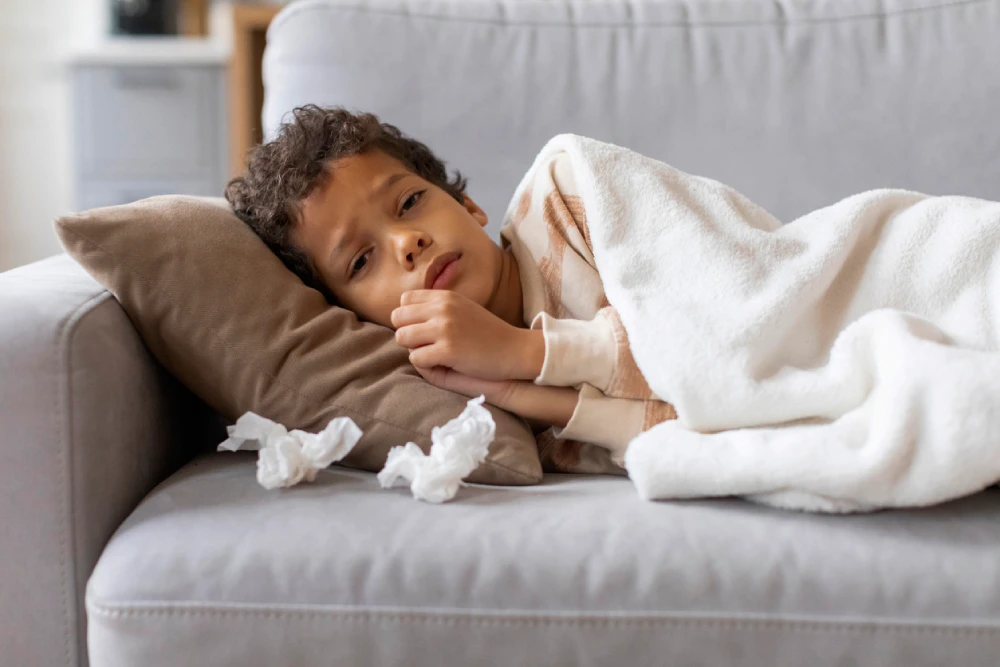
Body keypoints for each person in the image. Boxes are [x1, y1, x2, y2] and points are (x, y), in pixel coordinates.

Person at [225, 105, 675, 473]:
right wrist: (522, 396)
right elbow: (701, 431)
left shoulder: (567, 199)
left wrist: (524, 350)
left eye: (410, 202)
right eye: (361, 261)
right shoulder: (475, 416)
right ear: (353, 317)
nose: (407, 242)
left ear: (466, 204)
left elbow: (716, 345)